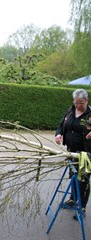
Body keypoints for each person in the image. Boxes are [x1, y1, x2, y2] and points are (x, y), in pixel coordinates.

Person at [55, 88, 91, 219]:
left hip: (86, 154)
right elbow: (61, 125)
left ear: (86, 100)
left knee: (83, 180)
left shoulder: (90, 114)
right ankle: (72, 200)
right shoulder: (70, 110)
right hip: (71, 151)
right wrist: (59, 134)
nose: (78, 106)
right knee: (73, 176)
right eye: (76, 103)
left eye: (80, 103)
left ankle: (82, 208)